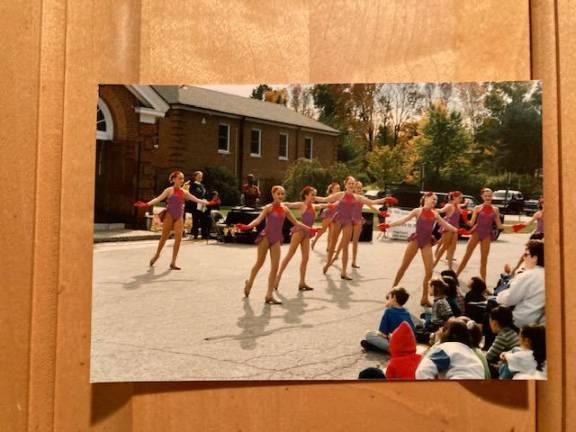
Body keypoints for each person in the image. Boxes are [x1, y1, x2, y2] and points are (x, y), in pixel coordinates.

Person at [238, 185, 312, 305]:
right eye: (278, 194)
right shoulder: (269, 207)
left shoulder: (285, 209)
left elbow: (296, 222)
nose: (281, 196)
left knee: (275, 267)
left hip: (276, 239)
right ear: (273, 195)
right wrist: (248, 226)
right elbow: (258, 220)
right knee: (259, 263)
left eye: (282, 194)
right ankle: (250, 282)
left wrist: (310, 229)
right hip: (266, 237)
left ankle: (269, 295)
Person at [382, 192, 459, 306]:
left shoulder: (435, 214)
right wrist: (388, 225)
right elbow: (403, 220)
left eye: (436, 200)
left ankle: (424, 298)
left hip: (427, 242)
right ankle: (392, 292)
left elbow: (445, 224)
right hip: (416, 240)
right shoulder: (417, 211)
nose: (434, 201)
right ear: (426, 198)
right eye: (433, 199)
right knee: (404, 267)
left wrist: (458, 230)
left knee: (429, 272)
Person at [315, 176, 394, 280]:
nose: (351, 185)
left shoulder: (357, 197)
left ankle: (343, 272)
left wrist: (385, 199)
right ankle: (328, 262)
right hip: (338, 220)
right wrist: (313, 198)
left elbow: (372, 202)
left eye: (353, 184)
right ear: (345, 184)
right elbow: (325, 199)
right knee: (333, 244)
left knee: (346, 247)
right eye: (349, 183)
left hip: (348, 222)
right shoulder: (340, 195)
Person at [134, 171, 211, 270]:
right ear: (174, 179)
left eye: (182, 178)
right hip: (169, 215)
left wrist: (208, 202)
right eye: (179, 178)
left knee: (178, 239)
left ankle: (173, 262)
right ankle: (157, 254)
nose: (181, 180)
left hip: (179, 216)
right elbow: (158, 199)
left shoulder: (184, 192)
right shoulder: (169, 190)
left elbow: (195, 199)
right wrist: (147, 204)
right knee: (164, 237)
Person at [456, 188, 514, 282]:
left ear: (492, 196)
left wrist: (514, 226)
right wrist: (465, 217)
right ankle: (455, 277)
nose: (488, 197)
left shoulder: (495, 209)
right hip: (476, 233)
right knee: (466, 256)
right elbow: (471, 223)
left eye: (489, 196)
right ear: (482, 197)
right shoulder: (477, 208)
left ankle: (483, 284)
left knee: (484, 260)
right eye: (486, 196)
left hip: (486, 235)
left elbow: (499, 225)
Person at [274, 186, 324, 292]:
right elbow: (288, 204)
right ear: (306, 195)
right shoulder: (302, 205)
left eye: (315, 195)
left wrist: (336, 204)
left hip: (306, 235)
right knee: (289, 255)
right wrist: (276, 204)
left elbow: (325, 204)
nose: (314, 197)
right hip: (298, 232)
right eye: (312, 195)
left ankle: (302, 283)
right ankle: (277, 279)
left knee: (305, 259)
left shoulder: (314, 206)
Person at [331, 180, 388, 269]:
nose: (359, 189)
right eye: (358, 187)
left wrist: (380, 213)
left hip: (357, 220)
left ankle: (354, 261)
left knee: (355, 242)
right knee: (344, 240)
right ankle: (336, 255)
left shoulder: (361, 198)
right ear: (354, 187)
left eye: (361, 188)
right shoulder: (351, 197)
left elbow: (371, 205)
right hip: (349, 220)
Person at [496, 240, 545, 328]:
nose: (523, 258)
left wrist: (499, 296)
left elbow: (509, 299)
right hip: (540, 321)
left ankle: (492, 341)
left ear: (535, 258)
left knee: (493, 311)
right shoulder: (548, 275)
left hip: (520, 321)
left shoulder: (528, 275)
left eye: (526, 255)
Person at [415, 318, 486, 379]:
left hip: (454, 390)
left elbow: (422, 371)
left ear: (446, 333)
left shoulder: (446, 349)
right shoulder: (473, 355)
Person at [361, 287, 414, 352]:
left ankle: (382, 348)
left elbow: (382, 334)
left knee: (369, 334)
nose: (387, 300)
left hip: (397, 345)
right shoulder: (406, 312)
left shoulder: (388, 311)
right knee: (376, 334)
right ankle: (375, 347)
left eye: (389, 298)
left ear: (394, 298)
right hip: (409, 344)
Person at [433, 191, 468, 270]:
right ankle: (434, 264)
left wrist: (466, 207)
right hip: (448, 228)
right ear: (455, 197)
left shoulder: (457, 206)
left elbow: (462, 208)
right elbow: (441, 210)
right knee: (444, 247)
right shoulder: (449, 205)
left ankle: (450, 268)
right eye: (460, 198)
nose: (461, 199)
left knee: (453, 248)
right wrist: (431, 209)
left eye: (461, 198)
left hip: (455, 229)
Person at [485, 306, 520, 375]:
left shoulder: (503, 337)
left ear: (494, 323)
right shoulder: (512, 331)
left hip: (510, 370)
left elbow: (488, 357)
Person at [311, 182, 340, 251]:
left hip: (335, 216)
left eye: (339, 188)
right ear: (332, 189)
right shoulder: (331, 196)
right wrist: (314, 197)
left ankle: (329, 247)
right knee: (322, 230)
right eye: (337, 188)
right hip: (328, 214)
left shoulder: (339, 196)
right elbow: (324, 200)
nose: (338, 190)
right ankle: (314, 241)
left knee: (332, 233)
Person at [188, 171, 210, 239]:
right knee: (196, 220)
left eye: (201, 176)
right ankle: (195, 234)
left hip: (203, 205)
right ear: (195, 177)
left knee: (204, 219)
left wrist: (206, 199)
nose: (200, 177)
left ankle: (204, 234)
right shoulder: (193, 185)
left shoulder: (202, 185)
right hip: (195, 205)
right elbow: (196, 194)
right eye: (199, 176)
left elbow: (206, 194)